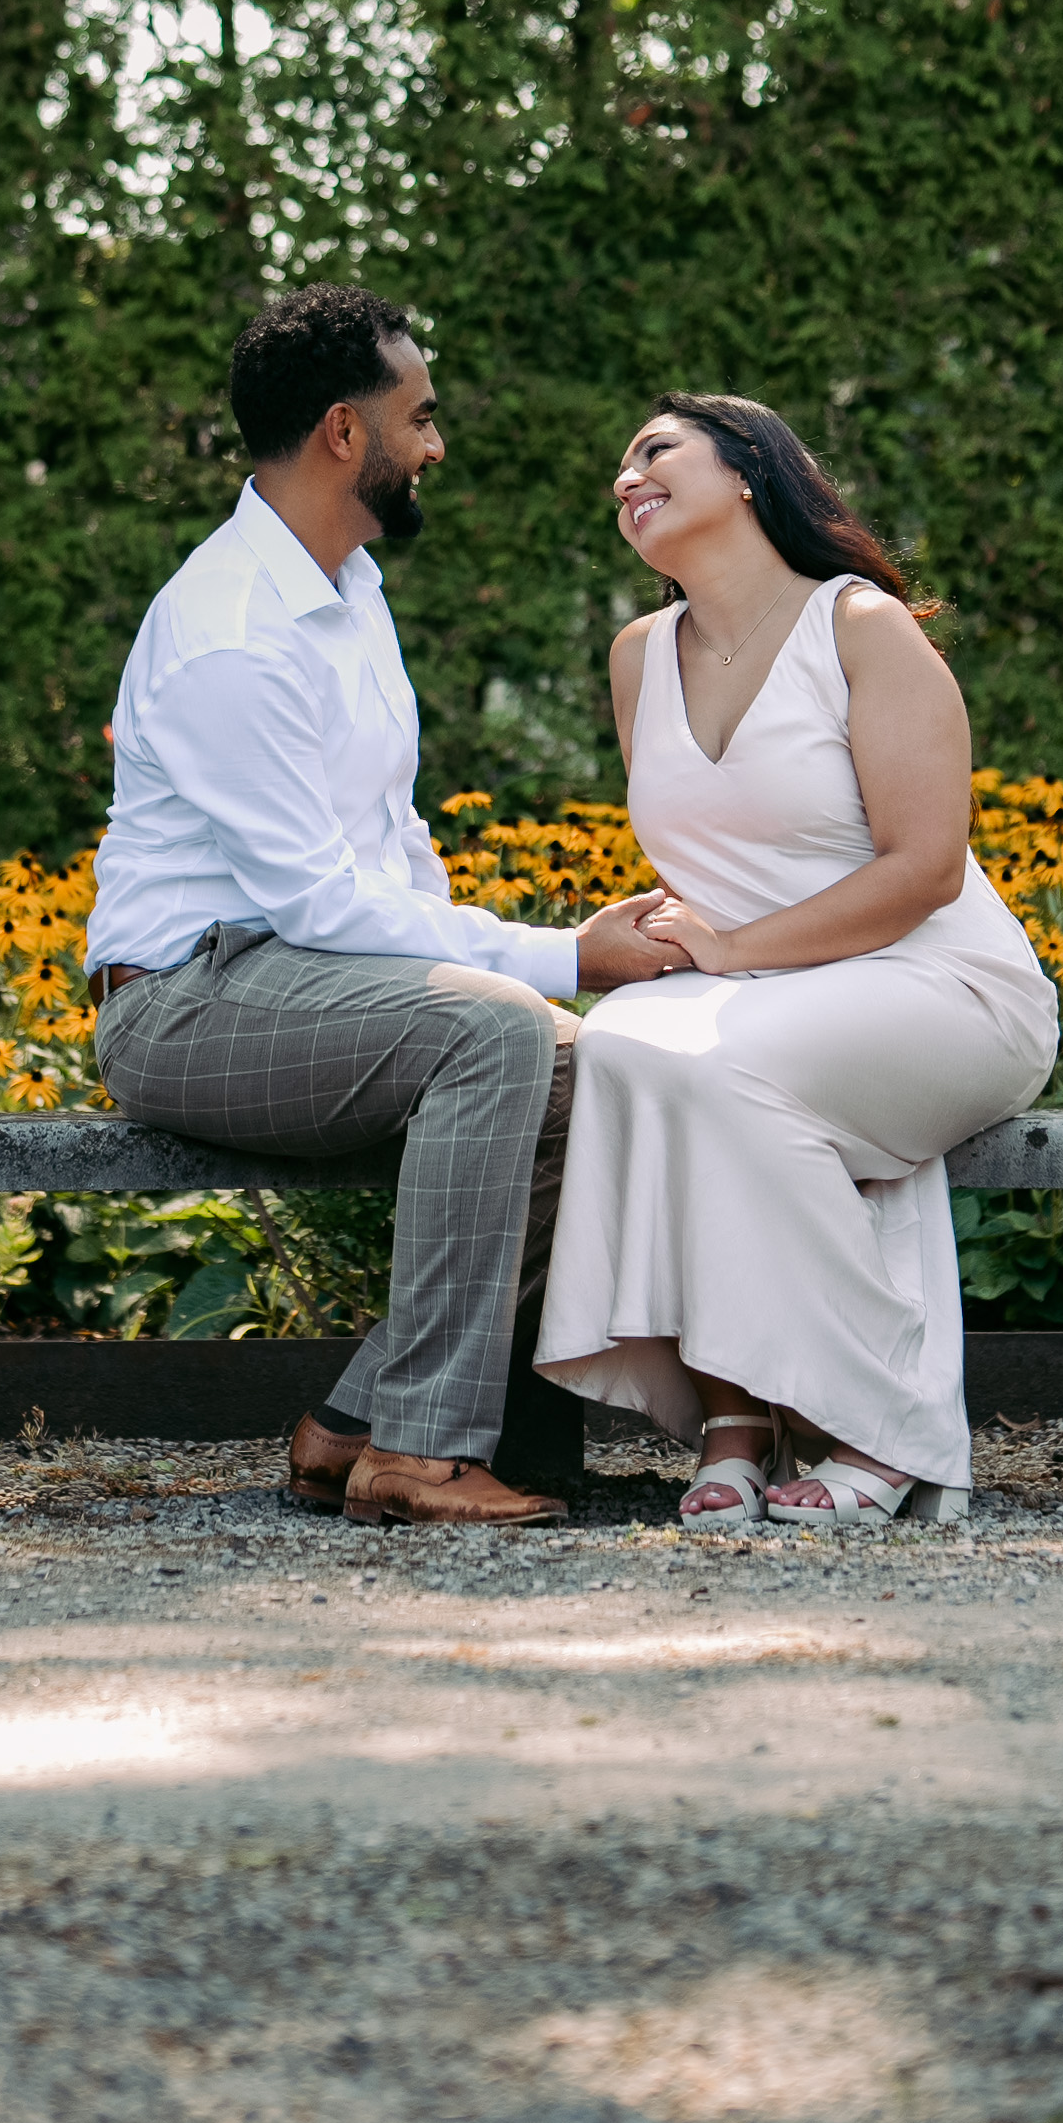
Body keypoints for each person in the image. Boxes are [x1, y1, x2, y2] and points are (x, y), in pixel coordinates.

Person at [87, 286, 693, 1529]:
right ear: (342, 432)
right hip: (187, 1004)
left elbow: (391, 839)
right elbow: (318, 899)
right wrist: (560, 957)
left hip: (307, 983)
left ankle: (351, 1425)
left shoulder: (347, 585)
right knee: (504, 1030)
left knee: (597, 1074)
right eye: (418, 416)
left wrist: (505, 976)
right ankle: (416, 1452)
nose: (437, 444)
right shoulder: (232, 632)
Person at [535, 394, 1060, 1529]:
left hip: (942, 983)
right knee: (620, 1048)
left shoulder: (861, 625)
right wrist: (673, 940)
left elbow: (925, 868)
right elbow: (715, 849)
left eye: (655, 450)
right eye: (619, 466)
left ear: (747, 471)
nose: (626, 476)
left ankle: (882, 1424)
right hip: (758, 991)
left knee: (726, 1069)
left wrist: (734, 949)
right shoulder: (638, 657)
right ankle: (736, 1417)